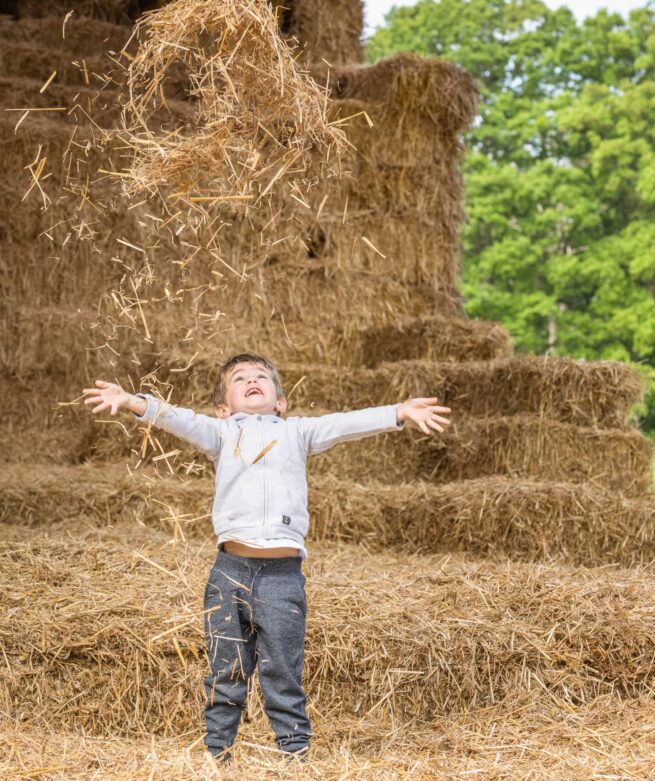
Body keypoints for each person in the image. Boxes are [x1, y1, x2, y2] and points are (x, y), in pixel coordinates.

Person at [82, 352, 451, 764]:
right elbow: (178, 418)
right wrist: (134, 401)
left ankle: (294, 753)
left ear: (281, 402)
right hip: (230, 572)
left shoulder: (297, 433)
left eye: (261, 377)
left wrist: (397, 412)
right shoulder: (220, 433)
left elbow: (344, 423)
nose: (252, 381)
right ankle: (217, 752)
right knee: (227, 669)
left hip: (282, 575)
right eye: (240, 379)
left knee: (282, 670)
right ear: (223, 407)